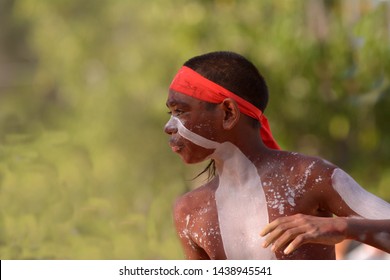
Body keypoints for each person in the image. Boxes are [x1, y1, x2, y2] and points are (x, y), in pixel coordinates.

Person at [164, 51, 390, 260]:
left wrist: (343, 228)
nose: (168, 126)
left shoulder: (308, 176)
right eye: (171, 113)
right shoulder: (189, 211)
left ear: (228, 113)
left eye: (180, 112)